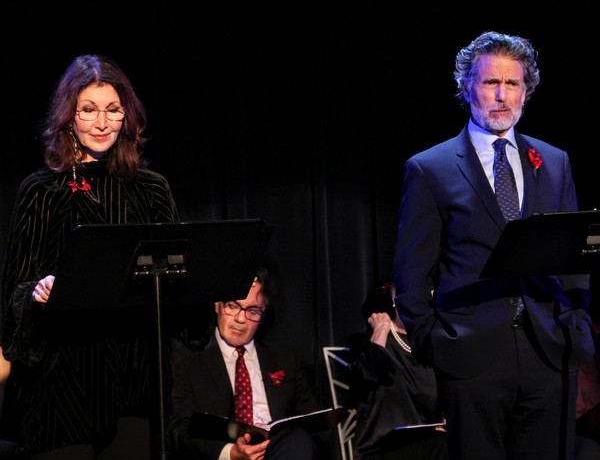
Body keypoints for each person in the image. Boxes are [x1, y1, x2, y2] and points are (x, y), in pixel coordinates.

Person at [392, 31, 596, 460]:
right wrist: (434, 342)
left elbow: (574, 256)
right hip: (470, 355)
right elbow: (412, 274)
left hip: (548, 350)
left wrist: (574, 325)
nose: (502, 96)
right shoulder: (431, 168)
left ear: (527, 90)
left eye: (512, 84)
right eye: (490, 83)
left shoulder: (554, 161)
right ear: (468, 87)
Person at [0, 54, 179, 459]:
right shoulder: (42, 189)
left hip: (135, 378)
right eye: (89, 110)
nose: (101, 123)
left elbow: (172, 278)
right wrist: (38, 291)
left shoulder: (151, 189)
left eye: (113, 110)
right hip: (62, 382)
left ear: (127, 115)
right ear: (68, 116)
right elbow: (16, 289)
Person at [168, 267, 327, 460]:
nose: (241, 319)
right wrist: (231, 454)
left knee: (299, 438)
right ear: (217, 304)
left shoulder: (284, 359)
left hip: (279, 453)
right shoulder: (190, 363)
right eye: (233, 306)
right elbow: (179, 431)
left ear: (263, 313)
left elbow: (316, 423)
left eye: (252, 311)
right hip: (225, 455)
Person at [347, 279, 448, 460]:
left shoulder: (433, 345)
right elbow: (363, 380)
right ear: (395, 298)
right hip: (381, 448)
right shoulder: (373, 341)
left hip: (428, 443)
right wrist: (381, 330)